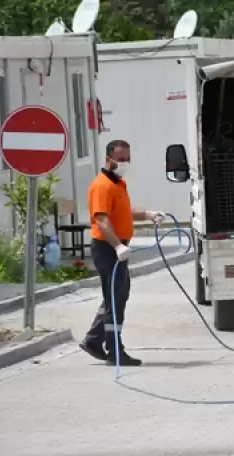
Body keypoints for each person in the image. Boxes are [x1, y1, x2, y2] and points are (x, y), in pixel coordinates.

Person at [79, 140, 165, 366]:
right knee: (115, 300)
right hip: (107, 248)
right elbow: (102, 219)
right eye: (120, 158)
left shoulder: (118, 184)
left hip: (116, 247)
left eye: (127, 157)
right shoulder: (102, 186)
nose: (125, 162)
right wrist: (117, 245)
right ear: (108, 159)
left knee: (116, 296)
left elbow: (124, 212)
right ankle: (115, 350)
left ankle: (94, 340)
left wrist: (148, 214)